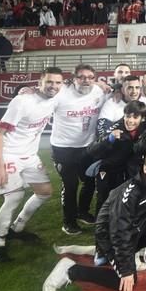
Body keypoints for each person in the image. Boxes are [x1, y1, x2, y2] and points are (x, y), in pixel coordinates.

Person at [42, 148, 146, 291]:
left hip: (132, 227)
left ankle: (122, 253)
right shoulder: (132, 192)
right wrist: (126, 270)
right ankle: (71, 270)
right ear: (145, 169)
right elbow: (119, 231)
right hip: (109, 233)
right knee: (126, 282)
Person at [0, 67, 64, 263]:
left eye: (57, 82)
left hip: (29, 155)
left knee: (45, 192)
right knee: (14, 197)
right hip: (7, 152)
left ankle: (16, 229)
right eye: (49, 82)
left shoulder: (56, 96)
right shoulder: (22, 102)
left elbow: (80, 85)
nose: (53, 86)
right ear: (40, 82)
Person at [51, 64, 108, 235]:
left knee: (90, 180)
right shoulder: (61, 92)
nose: (86, 80)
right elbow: (43, 93)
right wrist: (26, 89)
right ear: (73, 78)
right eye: (82, 77)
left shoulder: (98, 91)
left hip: (87, 147)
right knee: (70, 185)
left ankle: (82, 211)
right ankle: (68, 222)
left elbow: (114, 90)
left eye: (90, 77)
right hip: (63, 149)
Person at [87, 101, 146, 215]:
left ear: (143, 118)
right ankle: (101, 230)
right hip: (108, 171)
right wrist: (109, 139)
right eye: (128, 116)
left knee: (126, 202)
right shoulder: (114, 128)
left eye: (135, 117)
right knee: (105, 202)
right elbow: (91, 150)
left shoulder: (145, 130)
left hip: (129, 172)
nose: (130, 120)